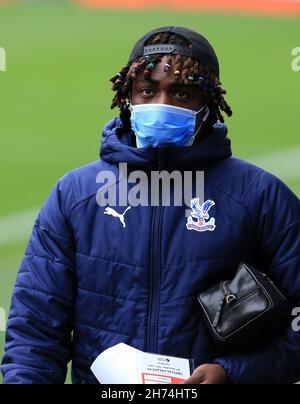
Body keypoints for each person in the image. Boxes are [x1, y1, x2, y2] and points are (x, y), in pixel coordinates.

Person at [1, 26, 300, 385]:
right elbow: (35, 330)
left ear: (208, 104)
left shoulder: (260, 195)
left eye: (181, 93)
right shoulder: (75, 195)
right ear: (128, 98)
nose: (162, 104)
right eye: (148, 91)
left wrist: (234, 373)